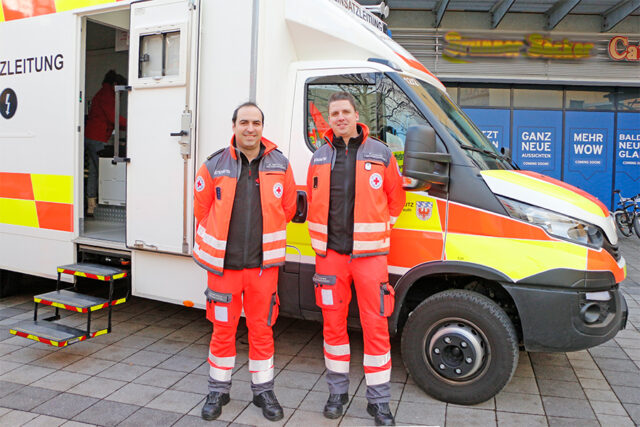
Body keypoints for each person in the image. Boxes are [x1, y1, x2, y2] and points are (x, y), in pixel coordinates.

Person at [193, 102, 297, 422]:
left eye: (256, 122)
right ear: (234, 125)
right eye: (244, 122)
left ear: (262, 127)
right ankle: (218, 390)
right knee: (222, 330)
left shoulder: (280, 164)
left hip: (262, 269)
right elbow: (202, 209)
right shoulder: (213, 165)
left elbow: (289, 208)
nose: (250, 128)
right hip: (223, 269)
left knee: (261, 329)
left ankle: (263, 391)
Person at [306, 92, 405, 426]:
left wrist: (377, 231)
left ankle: (378, 402)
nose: (340, 117)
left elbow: (396, 198)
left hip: (369, 258)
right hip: (330, 258)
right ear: (328, 118)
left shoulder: (381, 153)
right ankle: (337, 393)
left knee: (375, 328)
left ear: (356, 114)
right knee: (333, 328)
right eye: (334, 113)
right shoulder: (319, 156)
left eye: (345, 111)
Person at [84, 70, 128, 216]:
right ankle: (102, 205)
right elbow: (113, 117)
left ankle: (92, 205)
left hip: (91, 136)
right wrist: (131, 125)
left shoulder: (101, 93)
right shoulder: (108, 95)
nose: (121, 95)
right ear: (116, 85)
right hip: (98, 138)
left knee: (94, 171)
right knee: (104, 173)